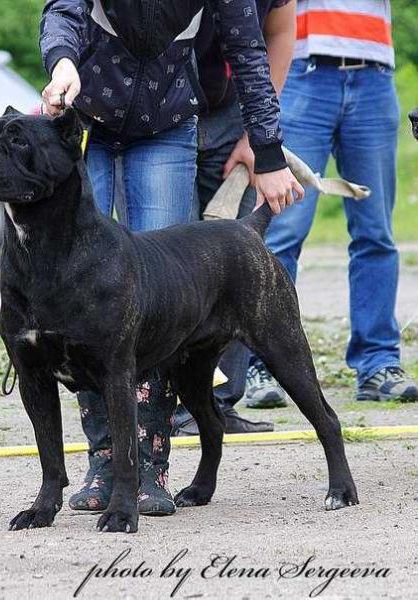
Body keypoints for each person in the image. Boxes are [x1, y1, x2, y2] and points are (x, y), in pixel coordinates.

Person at [40, 0, 304, 516]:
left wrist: (267, 151)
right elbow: (63, 9)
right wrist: (61, 61)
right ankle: (104, 463)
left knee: (160, 300)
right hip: (82, 122)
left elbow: (249, 51)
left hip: (167, 123)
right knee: (83, 304)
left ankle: (148, 467)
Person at [246, 0, 418, 404]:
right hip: (306, 71)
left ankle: (377, 362)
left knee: (376, 232)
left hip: (374, 73)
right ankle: (263, 363)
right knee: (282, 229)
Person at [172, 0, 297, 436]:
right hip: (165, 106)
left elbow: (279, 35)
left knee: (238, 265)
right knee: (175, 261)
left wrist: (254, 137)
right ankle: (171, 406)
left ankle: (218, 405)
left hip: (232, 111)